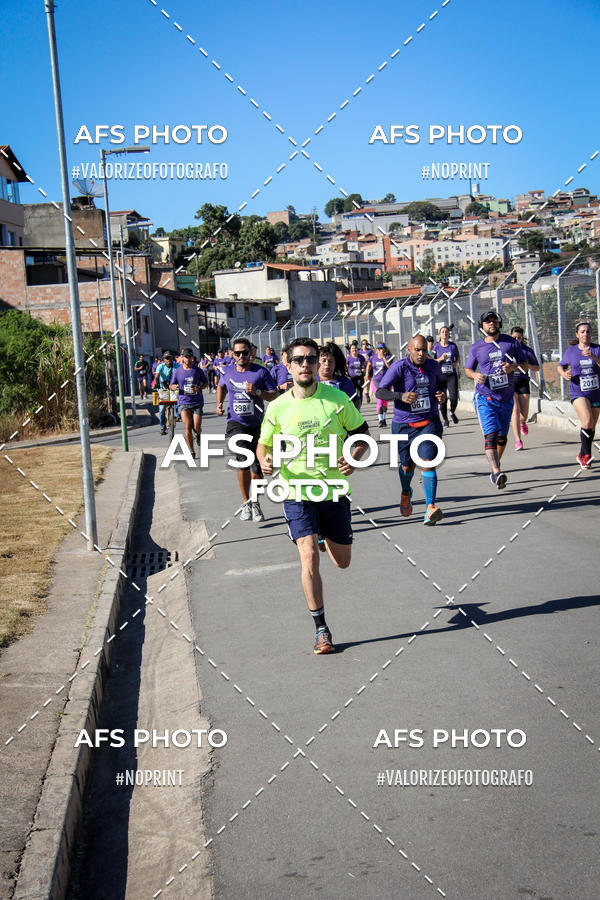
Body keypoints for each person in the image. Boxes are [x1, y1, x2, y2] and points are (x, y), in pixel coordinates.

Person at [257, 338, 371, 654]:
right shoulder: (278, 407)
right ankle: (321, 629)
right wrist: (264, 460)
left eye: (310, 359)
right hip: (296, 491)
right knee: (308, 555)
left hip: (333, 490)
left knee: (343, 562)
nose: (305, 365)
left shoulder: (336, 400)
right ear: (288, 364)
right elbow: (264, 443)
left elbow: (362, 434)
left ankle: (324, 535)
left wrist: (356, 455)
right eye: (299, 360)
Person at [376, 334, 446, 525]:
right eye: (417, 350)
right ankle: (406, 491)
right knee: (407, 466)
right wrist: (401, 395)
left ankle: (430, 507)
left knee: (428, 461)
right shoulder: (399, 367)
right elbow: (380, 391)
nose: (421, 353)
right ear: (409, 350)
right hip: (404, 425)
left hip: (428, 421)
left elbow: (442, 383)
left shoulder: (433, 365)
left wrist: (442, 395)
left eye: (424, 350)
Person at [216, 337, 278, 521]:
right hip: (236, 423)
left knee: (257, 467)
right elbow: (221, 386)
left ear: (251, 352)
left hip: (258, 424)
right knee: (243, 459)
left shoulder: (261, 372)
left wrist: (258, 392)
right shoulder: (227, 371)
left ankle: (255, 503)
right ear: (232, 354)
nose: (241, 356)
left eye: (244, 352)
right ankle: (245, 502)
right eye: (237, 353)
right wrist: (219, 403)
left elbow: (274, 395)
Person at [464, 311, 528, 489]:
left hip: (506, 398)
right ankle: (496, 471)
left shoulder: (511, 342)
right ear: (482, 326)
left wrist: (512, 367)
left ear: (499, 323)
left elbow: (525, 366)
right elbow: (467, 370)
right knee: (490, 436)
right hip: (485, 398)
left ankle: (495, 468)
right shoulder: (477, 347)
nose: (491, 323)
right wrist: (475, 375)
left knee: (502, 438)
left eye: (494, 320)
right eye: (487, 321)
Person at [557, 321, 600, 468]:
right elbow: (560, 366)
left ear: (591, 334)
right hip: (578, 391)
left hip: (595, 392)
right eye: (582, 331)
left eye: (588, 331)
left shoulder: (597, 349)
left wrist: (593, 357)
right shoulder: (571, 351)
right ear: (577, 334)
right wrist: (564, 374)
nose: (585, 334)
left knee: (591, 426)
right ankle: (587, 455)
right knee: (587, 421)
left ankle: (581, 454)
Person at [170, 348, 208, 457]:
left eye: (190, 357)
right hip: (183, 402)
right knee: (187, 426)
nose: (189, 359)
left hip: (196, 402)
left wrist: (199, 388)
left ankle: (198, 434)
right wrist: (174, 386)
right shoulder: (177, 372)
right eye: (186, 357)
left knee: (196, 427)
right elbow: (171, 385)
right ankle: (191, 451)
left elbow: (206, 383)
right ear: (182, 357)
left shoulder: (198, 370)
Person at [510, 326, 540, 450]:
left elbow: (537, 367)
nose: (517, 340)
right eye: (514, 338)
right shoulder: (506, 349)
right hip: (510, 382)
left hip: (523, 381)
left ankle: (522, 422)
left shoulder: (527, 351)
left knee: (523, 415)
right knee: (515, 410)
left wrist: (528, 366)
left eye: (519, 338)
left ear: (522, 338)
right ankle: (518, 440)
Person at [317, 342, 360, 407]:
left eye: (330, 361)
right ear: (317, 362)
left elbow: (356, 401)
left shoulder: (345, 382)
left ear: (335, 364)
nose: (327, 364)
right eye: (323, 360)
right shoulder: (311, 382)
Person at [434, 326, 461, 426]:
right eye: (443, 332)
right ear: (440, 334)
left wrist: (457, 363)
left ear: (449, 334)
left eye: (446, 332)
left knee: (454, 397)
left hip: (451, 375)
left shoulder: (453, 346)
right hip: (440, 376)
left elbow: (458, 356)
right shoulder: (436, 347)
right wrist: (440, 358)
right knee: (442, 399)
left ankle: (452, 411)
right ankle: (445, 420)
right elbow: (433, 361)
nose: (445, 333)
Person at [367, 343, 392, 427]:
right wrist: (367, 373)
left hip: (386, 382)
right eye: (379, 348)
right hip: (376, 382)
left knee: (385, 400)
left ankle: (384, 418)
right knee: (380, 399)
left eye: (382, 348)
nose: (380, 350)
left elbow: (389, 367)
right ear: (376, 349)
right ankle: (380, 420)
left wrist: (384, 357)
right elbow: (369, 365)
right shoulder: (373, 357)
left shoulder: (388, 356)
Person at [152, 351, 176, 435]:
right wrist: (155, 383)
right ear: (163, 359)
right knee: (161, 410)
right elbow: (156, 377)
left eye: (170, 357)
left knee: (180, 405)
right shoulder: (160, 367)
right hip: (164, 389)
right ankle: (163, 426)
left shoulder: (177, 366)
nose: (168, 359)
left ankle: (177, 416)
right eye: (167, 358)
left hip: (174, 389)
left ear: (173, 358)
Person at [346, 342, 366, 406]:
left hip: (360, 377)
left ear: (357, 349)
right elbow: (346, 368)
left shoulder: (361, 357)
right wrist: (347, 376)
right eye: (352, 348)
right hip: (352, 378)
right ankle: (353, 406)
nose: (354, 350)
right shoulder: (348, 358)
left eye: (355, 348)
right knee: (353, 393)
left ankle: (359, 406)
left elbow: (366, 365)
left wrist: (364, 369)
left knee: (360, 392)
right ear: (350, 350)